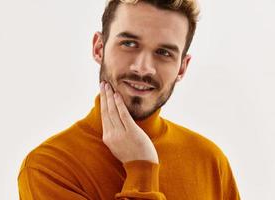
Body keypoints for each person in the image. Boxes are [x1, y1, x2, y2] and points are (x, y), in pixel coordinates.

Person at [18, 0, 240, 199]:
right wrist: (142, 167)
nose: (143, 68)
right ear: (99, 48)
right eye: (129, 44)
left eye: (164, 53)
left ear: (182, 67)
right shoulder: (49, 168)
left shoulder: (210, 161)